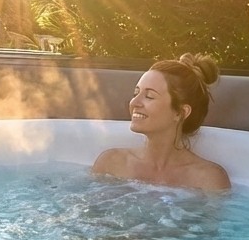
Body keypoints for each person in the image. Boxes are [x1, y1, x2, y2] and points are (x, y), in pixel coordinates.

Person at [92, 53, 231, 192]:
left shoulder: (208, 179)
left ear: (180, 112)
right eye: (136, 93)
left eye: (149, 96)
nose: (134, 102)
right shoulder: (111, 164)